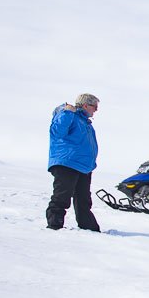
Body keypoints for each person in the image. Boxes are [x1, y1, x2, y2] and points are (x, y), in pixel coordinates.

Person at [46, 93, 101, 231]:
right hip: (67, 163)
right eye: (94, 106)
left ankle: (90, 229)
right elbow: (57, 132)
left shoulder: (85, 122)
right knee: (62, 196)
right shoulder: (68, 116)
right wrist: (67, 112)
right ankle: (54, 226)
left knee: (84, 200)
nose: (96, 110)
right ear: (85, 105)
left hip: (83, 167)